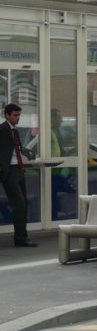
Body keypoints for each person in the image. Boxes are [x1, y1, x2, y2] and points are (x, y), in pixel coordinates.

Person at [0, 103, 36, 247]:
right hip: (10, 171)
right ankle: (20, 238)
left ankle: (22, 237)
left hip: (19, 169)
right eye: (15, 115)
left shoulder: (15, 130)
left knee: (23, 204)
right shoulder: (3, 129)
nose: (18, 118)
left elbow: (17, 148)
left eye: (19, 115)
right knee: (19, 204)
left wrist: (27, 152)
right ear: (7, 115)